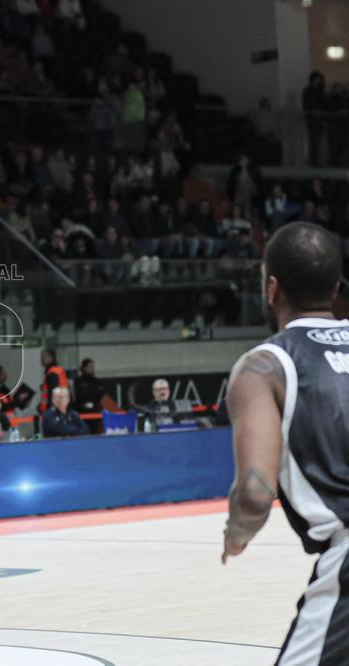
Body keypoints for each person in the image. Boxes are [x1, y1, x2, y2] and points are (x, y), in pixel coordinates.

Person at [221, 222, 349, 664]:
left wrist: (236, 534)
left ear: (272, 289)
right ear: (336, 287)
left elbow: (256, 492)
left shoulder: (265, 367)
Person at [38, 348, 69, 414]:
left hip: (55, 410)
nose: (42, 360)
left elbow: (54, 393)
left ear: (51, 358)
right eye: (42, 357)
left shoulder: (53, 372)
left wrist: (50, 409)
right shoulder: (54, 371)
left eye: (44, 357)